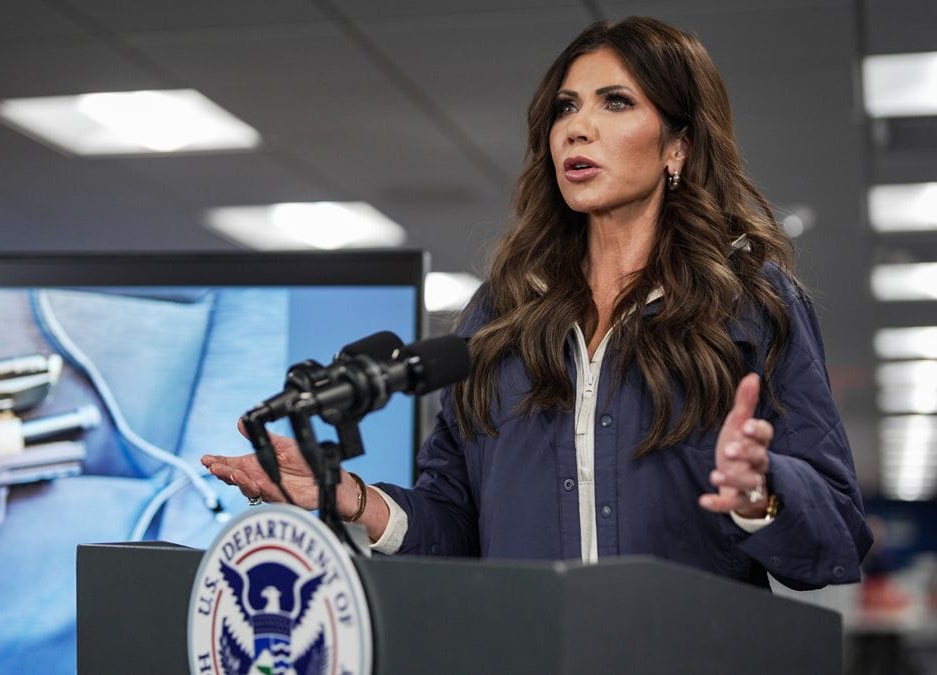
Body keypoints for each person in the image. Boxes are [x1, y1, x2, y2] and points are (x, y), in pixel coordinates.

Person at [202, 16, 871, 590]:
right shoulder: (503, 314)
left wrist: (763, 491)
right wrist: (351, 499)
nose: (578, 128)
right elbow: (454, 519)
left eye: (615, 103)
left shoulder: (750, 304)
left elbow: (838, 539)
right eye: (565, 107)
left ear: (678, 144)